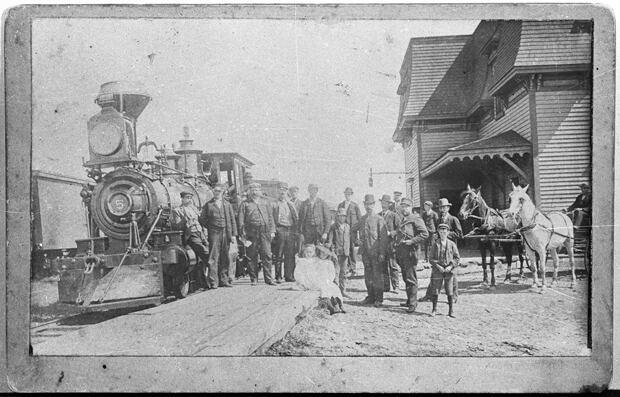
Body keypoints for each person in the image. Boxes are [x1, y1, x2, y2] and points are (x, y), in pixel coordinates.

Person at [420, 197, 463, 302]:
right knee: (435, 272)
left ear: (448, 208)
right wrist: (436, 235)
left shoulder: (453, 219)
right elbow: (436, 231)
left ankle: (454, 296)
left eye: (444, 207)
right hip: (439, 250)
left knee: (451, 274)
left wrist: (446, 235)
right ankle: (429, 295)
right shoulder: (438, 219)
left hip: (450, 250)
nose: (443, 209)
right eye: (441, 208)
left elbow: (460, 234)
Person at [237, 182, 276, 286]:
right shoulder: (245, 203)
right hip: (251, 233)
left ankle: (268, 279)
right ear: (249, 191)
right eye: (252, 190)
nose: (255, 192)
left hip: (265, 231)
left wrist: (272, 231)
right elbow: (240, 220)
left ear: (260, 191)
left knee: (267, 255)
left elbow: (270, 217)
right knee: (251, 255)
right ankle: (253, 279)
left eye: (257, 190)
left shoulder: (266, 202)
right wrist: (242, 234)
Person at [200, 183, 238, 288]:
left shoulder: (227, 204)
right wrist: (211, 227)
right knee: (213, 257)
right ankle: (213, 282)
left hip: (226, 232)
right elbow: (202, 219)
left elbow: (232, 220)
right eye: (215, 191)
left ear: (222, 192)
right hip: (214, 233)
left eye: (219, 191)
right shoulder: (208, 205)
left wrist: (234, 234)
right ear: (213, 192)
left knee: (225, 256)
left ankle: (224, 280)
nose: (217, 193)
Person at [394, 198, 429, 312]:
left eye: (407, 206)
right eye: (403, 206)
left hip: (410, 252)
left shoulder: (416, 218)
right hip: (402, 253)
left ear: (411, 207)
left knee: (411, 278)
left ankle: (413, 304)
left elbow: (424, 234)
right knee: (406, 277)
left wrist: (412, 241)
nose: (404, 208)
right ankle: (409, 300)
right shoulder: (403, 219)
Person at [171, 191, 210, 290]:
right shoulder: (177, 210)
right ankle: (211, 279)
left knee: (203, 257)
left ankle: (205, 281)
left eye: (190, 197)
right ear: (182, 199)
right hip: (191, 235)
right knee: (206, 254)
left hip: (200, 234)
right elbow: (176, 226)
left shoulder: (194, 209)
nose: (189, 199)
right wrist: (185, 222)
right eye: (187, 197)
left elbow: (201, 222)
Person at [295, 244, 345, 315]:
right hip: (309, 281)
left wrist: (328, 280)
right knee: (323, 288)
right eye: (307, 252)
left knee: (333, 287)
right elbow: (300, 274)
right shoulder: (307, 261)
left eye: (310, 252)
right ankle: (331, 307)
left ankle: (338, 304)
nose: (308, 254)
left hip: (321, 280)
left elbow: (331, 274)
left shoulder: (324, 262)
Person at [358, 194, 389, 307]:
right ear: (364, 204)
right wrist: (357, 241)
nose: (368, 206)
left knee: (377, 276)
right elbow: (353, 230)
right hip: (365, 253)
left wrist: (382, 253)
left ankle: (378, 299)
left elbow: (384, 238)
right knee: (368, 276)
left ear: (374, 205)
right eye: (366, 204)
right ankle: (370, 297)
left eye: (370, 204)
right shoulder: (362, 219)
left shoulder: (379, 219)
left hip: (376, 253)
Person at [428, 223, 460, 318]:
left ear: (448, 232)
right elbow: (431, 258)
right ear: (438, 233)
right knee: (435, 290)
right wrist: (438, 266)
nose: (443, 234)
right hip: (438, 270)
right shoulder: (435, 244)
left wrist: (450, 266)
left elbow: (457, 258)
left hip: (449, 271)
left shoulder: (452, 244)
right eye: (441, 232)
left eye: (445, 232)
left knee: (449, 291)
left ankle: (451, 311)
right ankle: (434, 309)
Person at [272, 182, 299, 283]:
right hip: (280, 229)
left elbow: (296, 218)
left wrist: (295, 231)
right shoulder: (274, 204)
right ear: (278, 191)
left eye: (284, 190)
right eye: (280, 189)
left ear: (287, 192)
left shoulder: (291, 204)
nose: (282, 192)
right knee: (279, 254)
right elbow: (271, 218)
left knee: (290, 254)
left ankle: (289, 275)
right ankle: (278, 276)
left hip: (290, 230)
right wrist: (274, 231)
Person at [378, 194, 401, 294]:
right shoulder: (378, 216)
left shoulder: (394, 215)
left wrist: (391, 233)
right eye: (382, 202)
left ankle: (396, 286)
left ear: (389, 204)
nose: (384, 204)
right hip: (381, 245)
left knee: (393, 266)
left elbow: (400, 229)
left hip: (391, 244)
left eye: (386, 203)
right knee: (383, 266)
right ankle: (386, 286)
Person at [337, 187, 362, 277]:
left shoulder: (355, 206)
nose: (348, 195)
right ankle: (346, 268)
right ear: (344, 194)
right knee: (344, 248)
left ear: (352, 195)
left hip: (352, 231)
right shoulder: (341, 205)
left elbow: (360, 219)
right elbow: (337, 217)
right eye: (346, 194)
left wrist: (358, 232)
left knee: (351, 249)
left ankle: (353, 268)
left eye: (349, 194)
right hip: (342, 231)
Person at [326, 208, 351, 298]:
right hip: (337, 253)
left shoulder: (347, 226)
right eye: (340, 216)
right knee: (336, 272)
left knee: (343, 273)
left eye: (344, 216)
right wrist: (331, 249)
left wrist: (349, 252)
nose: (342, 218)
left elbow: (349, 240)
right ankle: (335, 292)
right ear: (337, 217)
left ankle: (343, 291)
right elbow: (330, 240)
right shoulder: (333, 227)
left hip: (345, 253)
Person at [288, 185, 304, 255]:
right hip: (290, 229)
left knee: (299, 247)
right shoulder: (287, 203)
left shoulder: (302, 203)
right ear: (290, 193)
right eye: (292, 192)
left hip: (299, 229)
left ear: (298, 193)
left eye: (295, 192)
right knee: (290, 248)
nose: (293, 193)